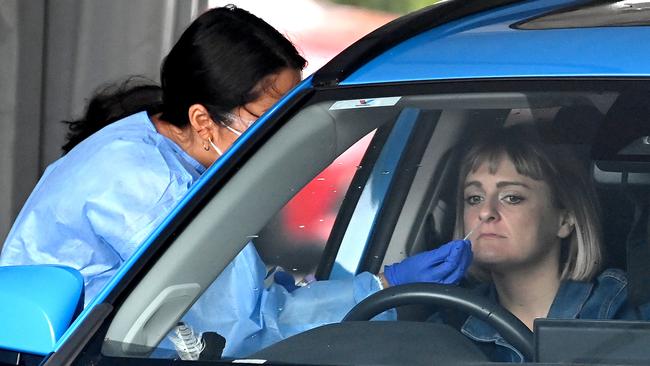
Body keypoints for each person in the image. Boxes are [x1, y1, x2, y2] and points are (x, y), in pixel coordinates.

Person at [0, 5, 472, 359]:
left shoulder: (147, 141)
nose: (280, 134)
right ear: (203, 119)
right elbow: (242, 329)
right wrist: (379, 287)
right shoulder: (150, 190)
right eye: (268, 119)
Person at [448, 126, 645, 362]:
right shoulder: (450, 323)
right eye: (474, 198)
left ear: (565, 219)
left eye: (512, 197)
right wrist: (391, 284)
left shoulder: (622, 309)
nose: (485, 212)